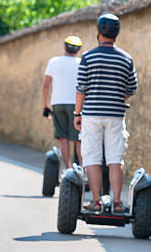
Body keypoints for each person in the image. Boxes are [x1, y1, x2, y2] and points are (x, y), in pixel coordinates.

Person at [74, 14, 137, 213]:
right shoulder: (126, 58)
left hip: (91, 114)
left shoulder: (88, 57)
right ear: (116, 33)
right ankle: (117, 203)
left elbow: (81, 89)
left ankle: (96, 202)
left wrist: (77, 113)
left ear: (99, 32)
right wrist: (116, 97)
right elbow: (131, 88)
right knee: (115, 160)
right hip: (115, 114)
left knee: (92, 158)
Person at [42, 36, 84, 168]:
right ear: (78, 49)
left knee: (63, 137)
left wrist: (45, 105)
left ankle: (68, 168)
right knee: (79, 140)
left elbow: (46, 85)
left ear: (64, 47)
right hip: (76, 103)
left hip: (58, 103)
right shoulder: (81, 62)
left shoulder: (54, 61)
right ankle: (83, 171)